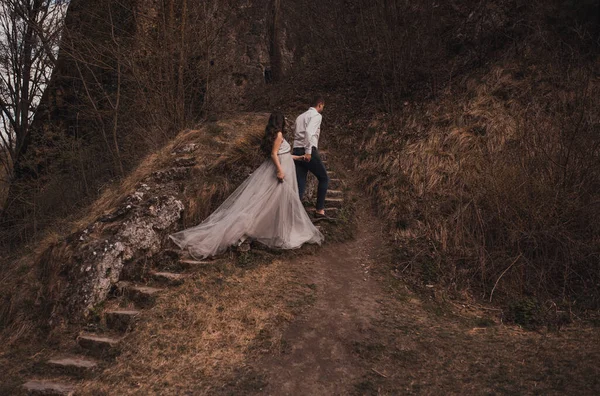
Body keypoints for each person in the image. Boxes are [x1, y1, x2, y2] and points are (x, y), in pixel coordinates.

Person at [168, 112, 324, 259]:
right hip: (280, 173)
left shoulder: (276, 135)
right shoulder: (278, 135)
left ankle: (274, 232)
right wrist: (279, 171)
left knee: (274, 204)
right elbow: (274, 154)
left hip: (283, 169)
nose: (286, 123)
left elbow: (284, 154)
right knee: (266, 205)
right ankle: (249, 233)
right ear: (280, 122)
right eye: (284, 120)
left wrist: (299, 157)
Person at [293, 95, 329, 217]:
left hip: (296, 149)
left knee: (300, 182)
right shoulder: (316, 116)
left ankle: (293, 210)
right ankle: (319, 210)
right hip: (308, 150)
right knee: (324, 178)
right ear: (319, 104)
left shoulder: (300, 117)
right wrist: (308, 151)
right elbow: (309, 132)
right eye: (322, 106)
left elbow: (297, 135)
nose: (322, 108)